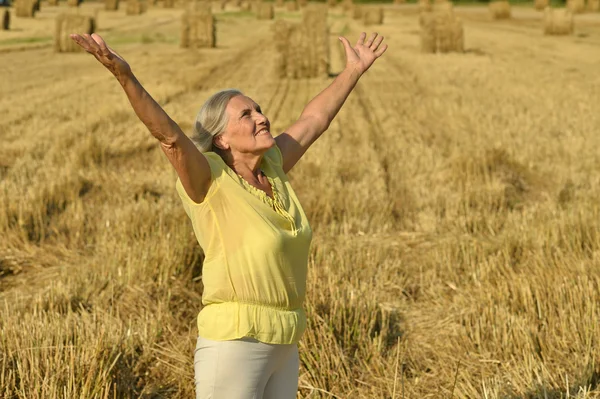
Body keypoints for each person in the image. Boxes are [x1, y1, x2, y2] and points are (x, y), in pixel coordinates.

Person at [70, 30, 387, 399]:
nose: (262, 117)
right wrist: (125, 76)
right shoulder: (209, 178)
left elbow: (315, 119)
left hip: (286, 341)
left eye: (260, 109)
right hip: (236, 343)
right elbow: (169, 137)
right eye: (247, 114)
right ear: (221, 138)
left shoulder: (273, 167)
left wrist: (353, 71)